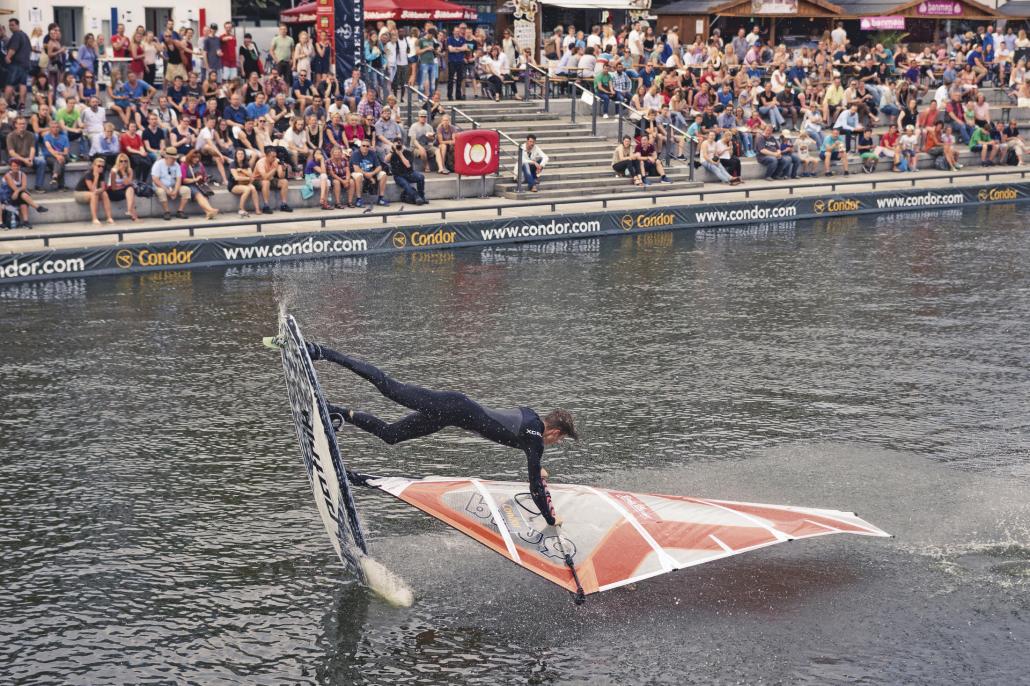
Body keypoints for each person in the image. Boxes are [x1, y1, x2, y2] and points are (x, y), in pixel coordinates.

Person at [305, 342, 578, 527]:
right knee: (388, 387)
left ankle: (337, 412)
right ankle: (320, 352)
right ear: (553, 431)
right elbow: (534, 485)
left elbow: (513, 433)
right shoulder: (534, 438)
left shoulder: (531, 418)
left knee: (391, 435)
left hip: (448, 415)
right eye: (559, 439)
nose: (555, 443)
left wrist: (538, 466)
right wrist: (551, 519)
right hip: (451, 406)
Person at [0, 158, 48, 228]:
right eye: (14, 166)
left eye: (17, 166)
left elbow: (24, 186)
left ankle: (26, 221)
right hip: (6, 195)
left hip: (16, 194)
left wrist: (18, 191)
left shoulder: (22, 174)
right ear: (11, 167)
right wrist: (19, 191)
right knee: (23, 195)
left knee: (23, 199)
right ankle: (37, 207)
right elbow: (14, 188)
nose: (16, 167)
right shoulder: (7, 175)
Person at [180, 149, 220, 220]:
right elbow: (183, 180)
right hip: (188, 185)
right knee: (198, 194)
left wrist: (205, 178)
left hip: (199, 184)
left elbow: (204, 174)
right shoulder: (184, 165)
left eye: (198, 157)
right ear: (190, 157)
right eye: (194, 157)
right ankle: (211, 209)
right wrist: (195, 179)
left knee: (203, 196)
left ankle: (208, 213)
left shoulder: (200, 164)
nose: (196, 159)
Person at [74, 156, 114, 225]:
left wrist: (101, 189)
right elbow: (92, 189)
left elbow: (103, 187)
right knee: (94, 195)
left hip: (93, 191)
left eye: (102, 166)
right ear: (93, 165)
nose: (101, 168)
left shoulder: (101, 174)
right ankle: (94, 218)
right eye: (99, 166)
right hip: (79, 193)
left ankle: (109, 217)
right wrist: (96, 177)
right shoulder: (88, 174)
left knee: (104, 194)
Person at [151, 147, 188, 220]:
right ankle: (167, 212)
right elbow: (155, 179)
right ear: (167, 157)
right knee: (161, 192)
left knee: (186, 190)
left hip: (172, 186)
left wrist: (175, 191)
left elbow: (178, 179)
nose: (174, 160)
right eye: (172, 158)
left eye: (175, 158)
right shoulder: (158, 164)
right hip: (160, 186)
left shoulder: (176, 164)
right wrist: (167, 191)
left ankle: (180, 211)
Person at [386, 138, 426, 204]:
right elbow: (386, 160)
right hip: (398, 176)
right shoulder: (392, 153)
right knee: (406, 184)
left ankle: (422, 196)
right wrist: (392, 151)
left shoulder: (408, 153)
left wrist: (400, 154)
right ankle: (416, 197)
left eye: (399, 145)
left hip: (409, 173)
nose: (398, 147)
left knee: (421, 177)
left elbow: (408, 165)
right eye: (396, 145)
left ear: (402, 145)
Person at [254, 146, 293, 214]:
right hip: (257, 180)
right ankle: (266, 206)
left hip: (270, 179)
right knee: (266, 182)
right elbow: (265, 177)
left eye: (275, 156)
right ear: (267, 156)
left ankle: (284, 204)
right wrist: (274, 169)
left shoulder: (276, 160)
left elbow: (281, 176)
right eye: (272, 156)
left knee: (284, 182)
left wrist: (283, 169)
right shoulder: (260, 162)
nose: (274, 158)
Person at [350, 138, 389, 207]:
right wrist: (367, 175)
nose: (365, 147)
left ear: (370, 147)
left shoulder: (372, 153)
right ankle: (358, 199)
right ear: (360, 146)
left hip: (371, 172)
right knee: (359, 175)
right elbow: (356, 169)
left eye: (367, 146)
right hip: (357, 172)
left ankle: (381, 198)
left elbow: (379, 167)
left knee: (383, 174)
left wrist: (372, 174)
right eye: (363, 145)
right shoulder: (355, 153)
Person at [227, 148, 261, 218]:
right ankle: (241, 209)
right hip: (234, 185)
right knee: (247, 189)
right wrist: (248, 178)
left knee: (253, 188)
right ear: (236, 155)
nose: (240, 155)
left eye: (242, 154)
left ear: (244, 155)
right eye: (238, 154)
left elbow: (251, 175)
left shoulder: (246, 164)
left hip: (244, 183)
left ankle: (257, 209)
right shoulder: (233, 164)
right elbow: (236, 178)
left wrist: (242, 170)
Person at [107, 153, 139, 221]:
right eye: (121, 161)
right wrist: (121, 171)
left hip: (124, 190)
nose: (123, 163)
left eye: (125, 161)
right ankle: (134, 216)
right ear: (118, 162)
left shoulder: (129, 170)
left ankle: (129, 210)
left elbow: (128, 183)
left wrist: (123, 173)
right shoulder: (114, 171)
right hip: (113, 192)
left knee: (130, 188)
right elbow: (113, 187)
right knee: (130, 191)